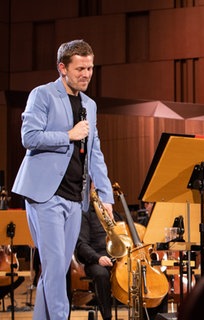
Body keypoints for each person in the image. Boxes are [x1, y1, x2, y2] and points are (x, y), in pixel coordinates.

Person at [11, 39, 114, 319]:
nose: (87, 74)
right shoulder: (42, 95)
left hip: (74, 198)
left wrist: (105, 196)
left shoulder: (89, 105)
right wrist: (68, 135)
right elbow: (29, 137)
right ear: (62, 68)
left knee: (56, 272)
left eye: (90, 68)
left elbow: (95, 152)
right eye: (80, 68)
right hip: (45, 195)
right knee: (56, 267)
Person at [75, 205, 120, 320]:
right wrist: (98, 258)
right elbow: (81, 245)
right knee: (101, 274)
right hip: (96, 260)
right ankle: (107, 317)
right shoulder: (86, 214)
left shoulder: (116, 215)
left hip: (119, 260)